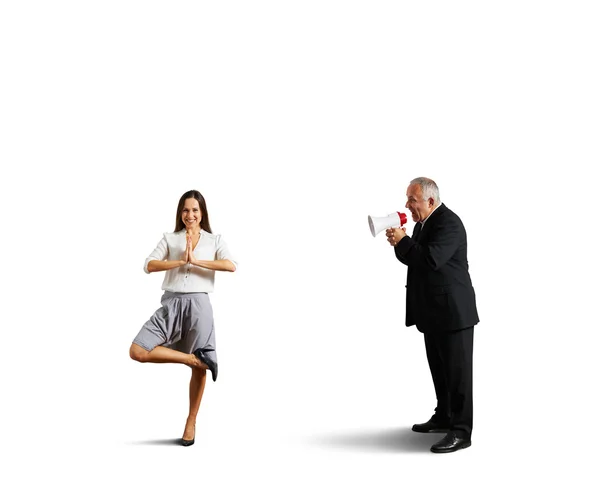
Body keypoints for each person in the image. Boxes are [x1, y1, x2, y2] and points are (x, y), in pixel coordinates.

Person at [129, 190, 237, 447]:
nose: (190, 215)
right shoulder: (170, 238)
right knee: (138, 350)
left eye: (195, 210)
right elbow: (149, 264)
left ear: (202, 213)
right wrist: (178, 262)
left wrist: (197, 261)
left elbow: (230, 265)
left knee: (199, 371)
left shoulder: (214, 239)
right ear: (180, 213)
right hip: (172, 303)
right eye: (186, 210)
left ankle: (191, 421)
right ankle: (191, 357)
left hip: (200, 304)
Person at [386, 177, 479, 453]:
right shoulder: (421, 224)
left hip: (454, 315)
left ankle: (461, 431)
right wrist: (399, 243)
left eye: (411, 200)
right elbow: (414, 258)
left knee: (458, 375)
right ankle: (444, 417)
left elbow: (429, 259)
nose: (407, 205)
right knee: (440, 370)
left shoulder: (449, 223)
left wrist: (404, 242)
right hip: (434, 313)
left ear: (429, 200)